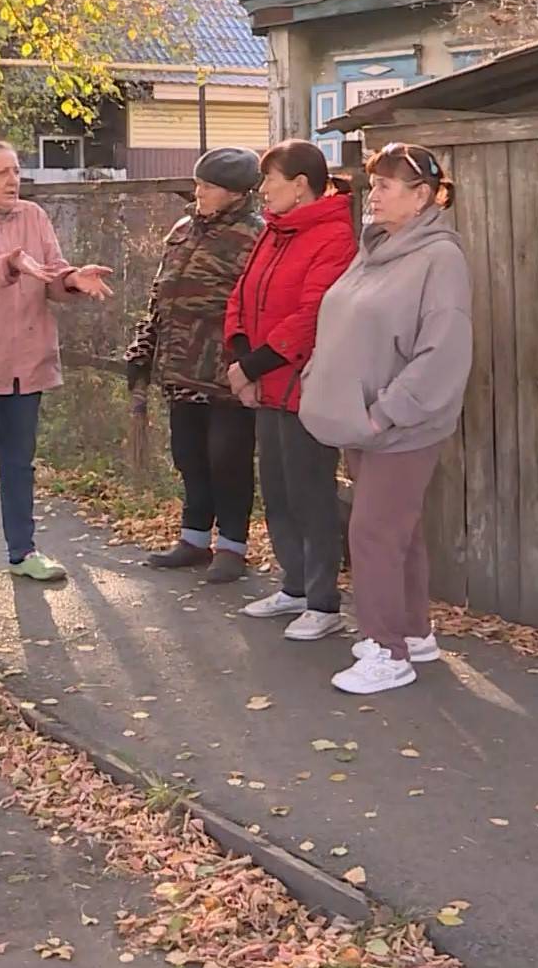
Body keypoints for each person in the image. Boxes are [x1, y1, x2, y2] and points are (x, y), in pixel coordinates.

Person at [300, 143, 470, 695]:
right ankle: (414, 634)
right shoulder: (376, 248)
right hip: (361, 421)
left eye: (386, 186)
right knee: (402, 531)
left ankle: (385, 651)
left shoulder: (440, 258)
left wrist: (383, 414)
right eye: (373, 184)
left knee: (372, 532)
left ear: (423, 197)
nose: (372, 195)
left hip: (401, 426)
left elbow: (442, 352)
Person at [0, 132, 115, 601]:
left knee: (19, 464)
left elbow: (52, 273)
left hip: (25, 363)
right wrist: (10, 263)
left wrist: (73, 278)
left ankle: (23, 553)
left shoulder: (35, 216)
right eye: (3, 172)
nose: (14, 180)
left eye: (16, 171)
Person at [222, 139, 357, 642]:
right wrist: (241, 360)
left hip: (304, 389)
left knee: (311, 494)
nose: (262, 191)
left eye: (269, 181)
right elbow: (241, 295)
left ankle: (324, 601)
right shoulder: (274, 234)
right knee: (277, 491)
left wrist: (252, 367)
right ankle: (295, 585)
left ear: (300, 184)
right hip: (265, 386)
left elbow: (312, 316)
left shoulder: (333, 236)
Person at [125, 147, 266, 584]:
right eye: (198, 183)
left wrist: (246, 363)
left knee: (228, 457)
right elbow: (160, 295)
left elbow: (258, 306)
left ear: (235, 192)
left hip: (226, 372)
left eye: (207, 186)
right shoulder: (184, 229)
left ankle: (232, 546)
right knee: (189, 455)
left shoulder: (255, 236)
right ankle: (194, 537)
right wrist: (144, 347)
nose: (198, 192)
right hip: (179, 364)